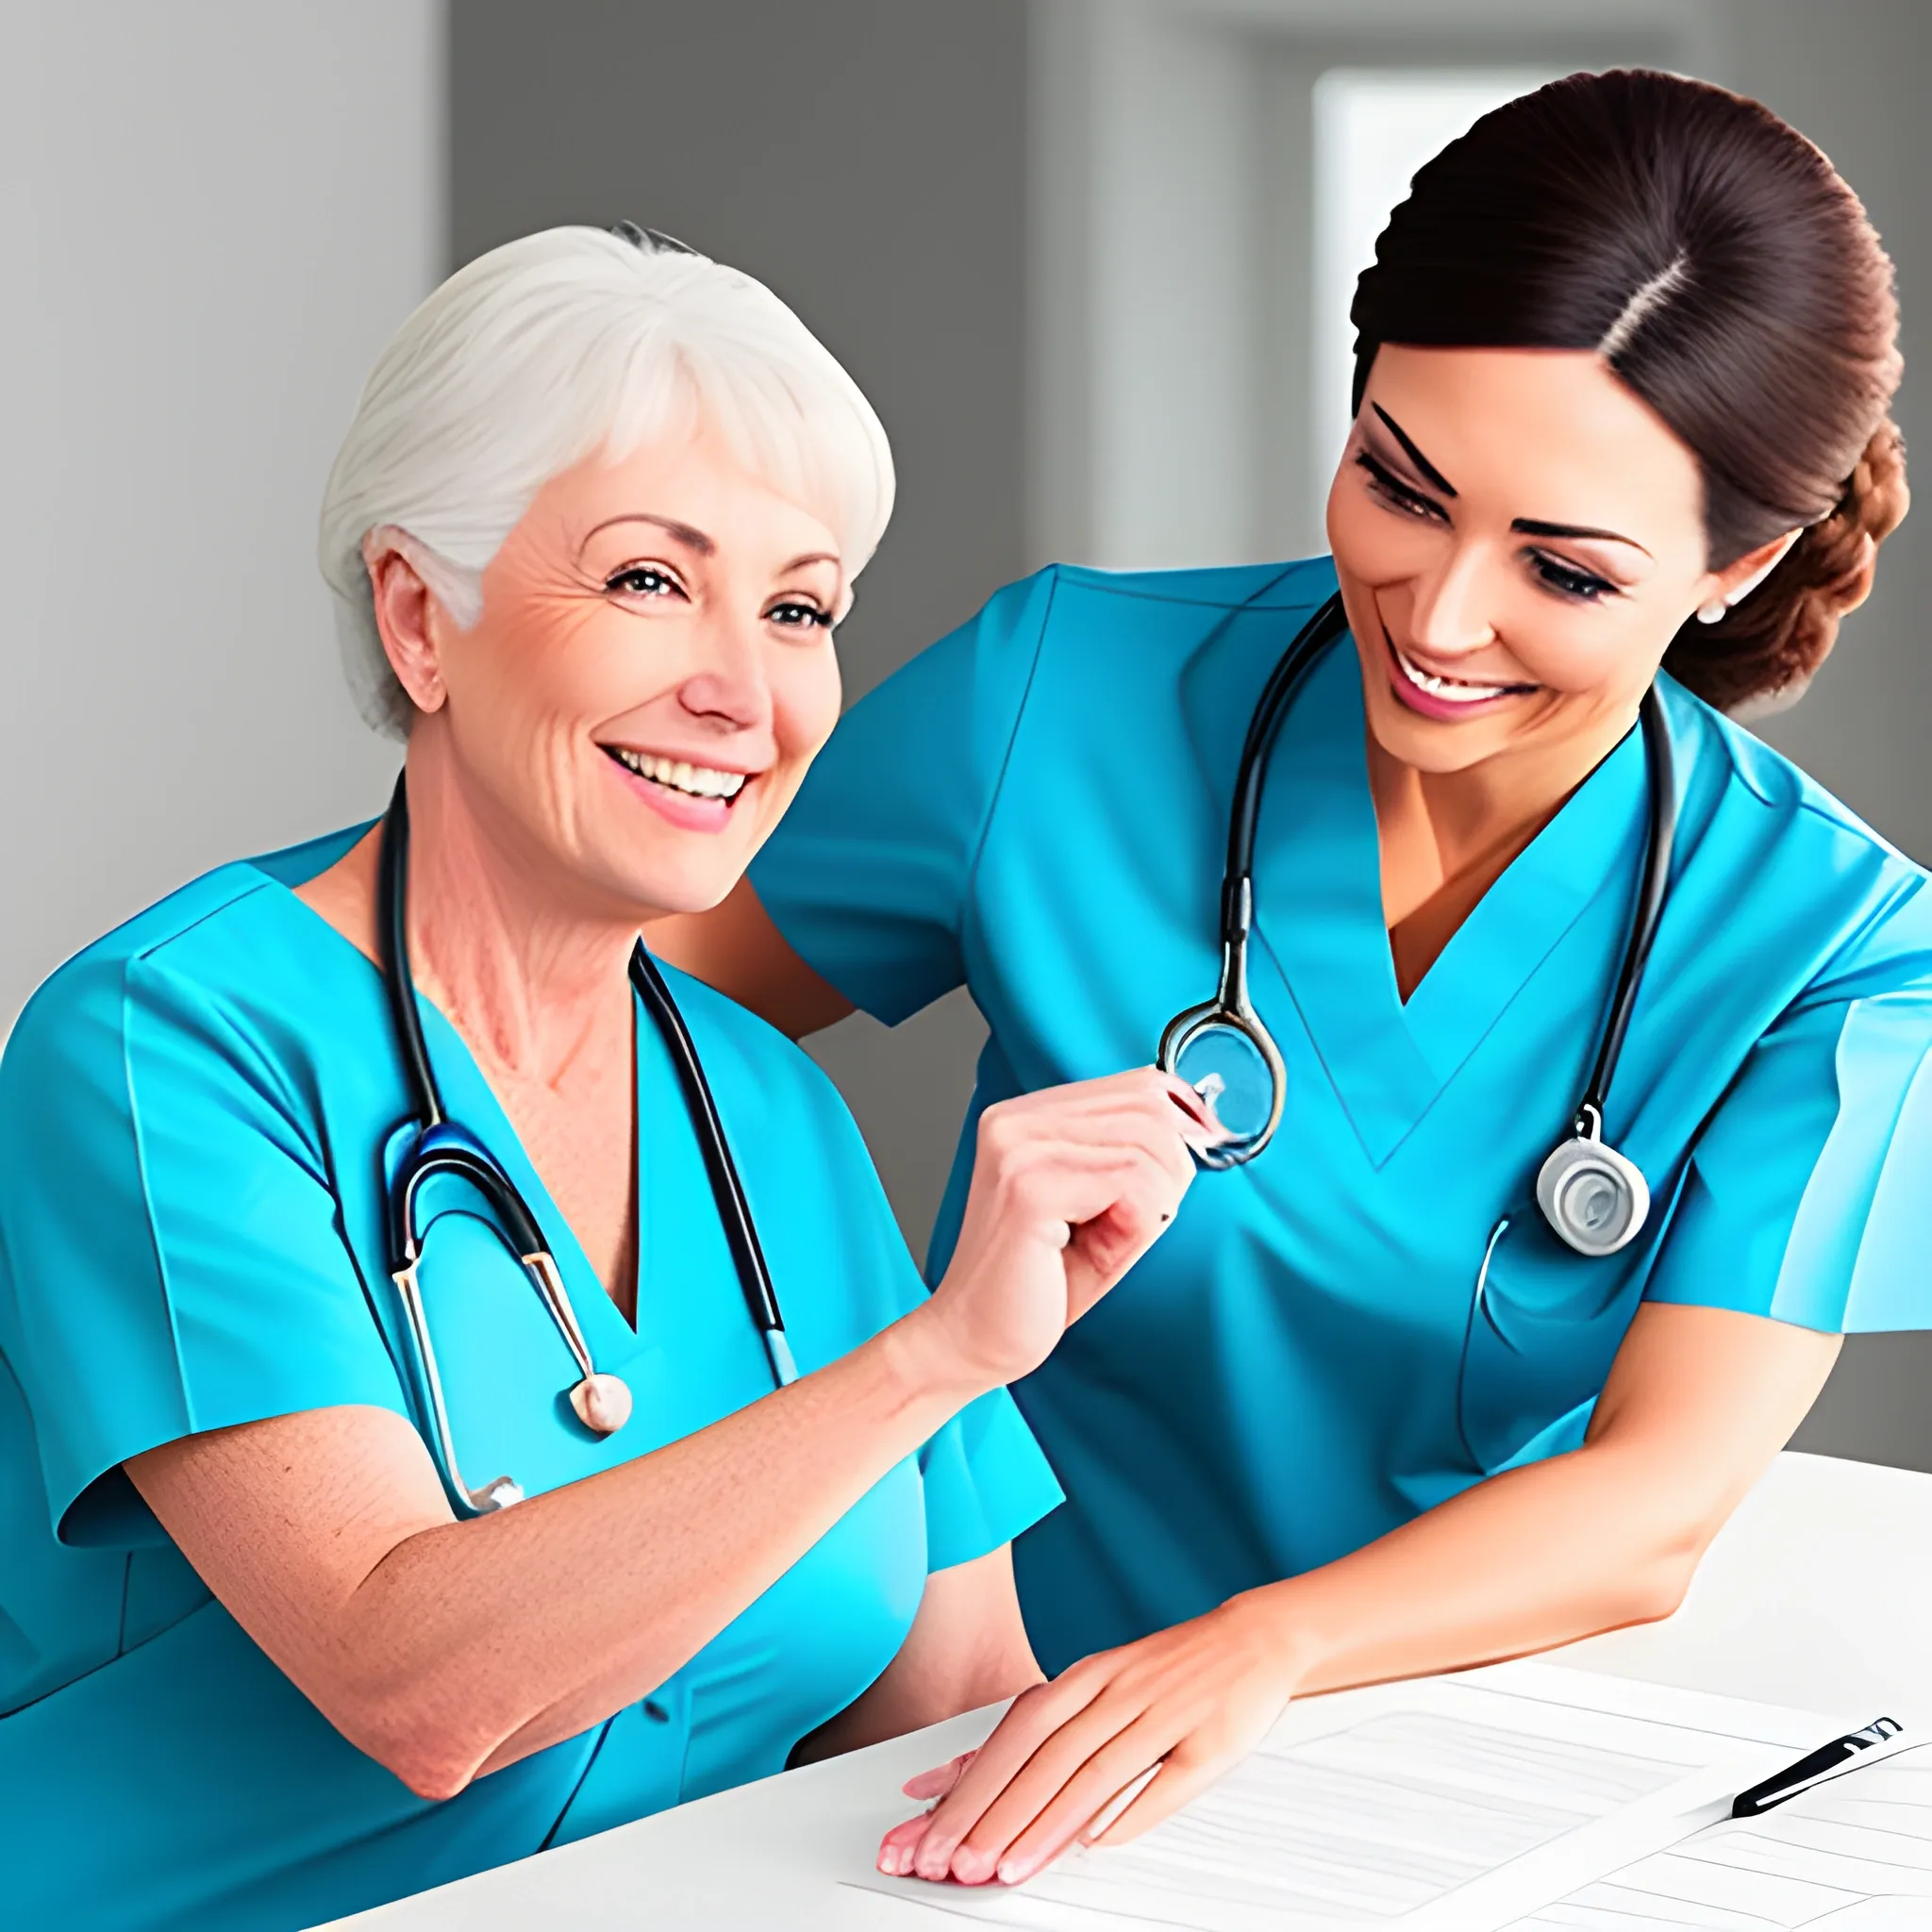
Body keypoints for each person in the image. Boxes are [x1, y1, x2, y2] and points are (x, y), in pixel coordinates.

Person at [652, 69, 1927, 1885]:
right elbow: (596, 1050)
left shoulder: (1839, 957)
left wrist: (1267, 1650)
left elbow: (1655, 1502)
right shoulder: (1060, 696)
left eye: (1562, 568)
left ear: (1744, 565)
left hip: (1441, 1762)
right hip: (939, 1728)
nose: (1440, 611)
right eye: (1400, 485)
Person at [0, 225, 1215, 1929]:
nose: (743, 692)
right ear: (421, 616)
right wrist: (933, 1359)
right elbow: (421, 1692)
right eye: (652, 582)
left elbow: (948, 1715)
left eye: (798, 609)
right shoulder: (169, 1047)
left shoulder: (765, 1115)